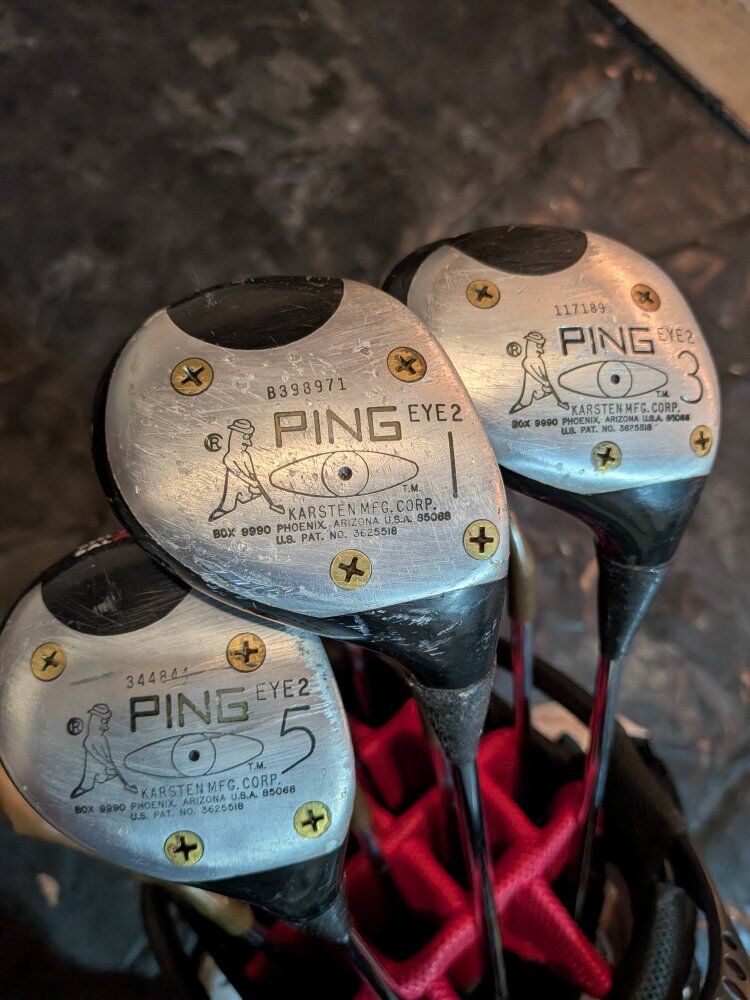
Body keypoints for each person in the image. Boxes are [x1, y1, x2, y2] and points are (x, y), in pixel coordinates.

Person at [70, 703, 136, 798]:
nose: (107, 727)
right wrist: (107, 763)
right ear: (96, 722)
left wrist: (111, 763)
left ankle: (125, 785)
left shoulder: (103, 738)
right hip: (93, 770)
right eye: (104, 722)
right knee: (89, 783)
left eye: (106, 722)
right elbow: (95, 755)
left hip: (106, 769)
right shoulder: (88, 740)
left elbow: (108, 755)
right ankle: (84, 787)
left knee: (111, 776)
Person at [510, 331, 569, 413]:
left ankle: (558, 403)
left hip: (541, 388)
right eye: (538, 346)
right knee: (526, 401)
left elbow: (545, 375)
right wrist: (544, 382)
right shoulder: (527, 361)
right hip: (531, 389)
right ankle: (520, 406)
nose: (542, 351)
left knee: (547, 393)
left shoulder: (540, 360)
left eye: (541, 347)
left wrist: (547, 383)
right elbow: (534, 374)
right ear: (531, 345)